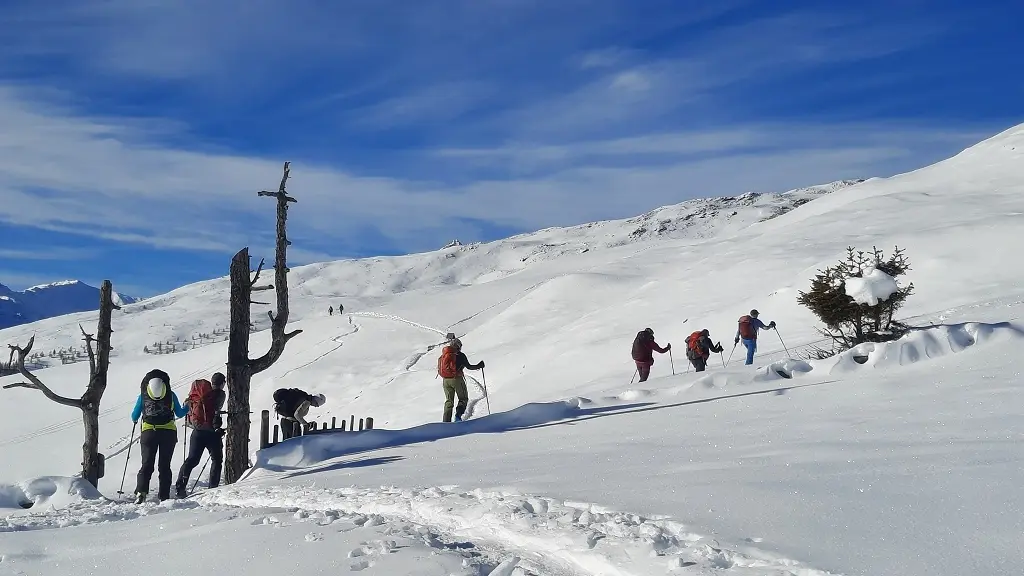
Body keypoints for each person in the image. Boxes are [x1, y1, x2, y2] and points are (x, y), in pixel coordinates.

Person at [131, 369, 188, 503]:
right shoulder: (171, 395)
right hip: (168, 433)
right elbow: (180, 413)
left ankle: (141, 492)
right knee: (164, 466)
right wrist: (187, 407)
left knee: (146, 464)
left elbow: (134, 416)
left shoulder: (143, 396)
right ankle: (164, 496)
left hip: (148, 433)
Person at [174, 373, 226, 498]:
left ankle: (180, 487)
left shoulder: (199, 395)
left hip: (197, 431)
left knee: (192, 460)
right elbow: (216, 412)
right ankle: (212, 488)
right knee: (217, 460)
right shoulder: (219, 394)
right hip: (212, 433)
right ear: (223, 383)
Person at [436, 337, 484, 422]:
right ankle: (458, 416)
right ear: (458, 346)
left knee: (449, 401)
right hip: (457, 379)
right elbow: (469, 367)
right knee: (463, 398)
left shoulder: (443, 355)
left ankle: (446, 422)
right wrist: (479, 366)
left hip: (445, 380)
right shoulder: (460, 355)